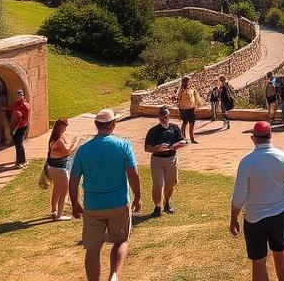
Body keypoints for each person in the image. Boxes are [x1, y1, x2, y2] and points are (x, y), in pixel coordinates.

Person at [69, 109, 141, 281]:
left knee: (92, 248)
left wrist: (75, 202)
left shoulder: (83, 150)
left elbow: (73, 179)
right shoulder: (123, 145)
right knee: (121, 240)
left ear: (96, 125)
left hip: (93, 206)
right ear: (113, 124)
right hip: (118, 203)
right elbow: (133, 173)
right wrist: (137, 196)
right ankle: (114, 275)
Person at [230, 121, 284, 281]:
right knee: (280, 251)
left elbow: (239, 196)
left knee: (259, 261)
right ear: (271, 135)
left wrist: (233, 218)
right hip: (279, 215)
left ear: (253, 138)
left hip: (255, 219)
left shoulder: (246, 162)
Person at [145, 105, 186, 217]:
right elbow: (147, 148)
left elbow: (183, 141)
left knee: (170, 184)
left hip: (172, 160)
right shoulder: (153, 131)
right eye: (162, 116)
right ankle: (157, 207)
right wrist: (157, 148)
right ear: (159, 117)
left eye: (166, 116)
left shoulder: (174, 128)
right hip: (157, 160)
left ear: (169, 116)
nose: (164, 118)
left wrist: (175, 146)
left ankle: (167, 203)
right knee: (158, 185)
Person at [46, 117, 80, 220]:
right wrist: (75, 144)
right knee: (64, 192)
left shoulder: (54, 138)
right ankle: (59, 215)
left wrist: (70, 143)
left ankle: (53, 210)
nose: (67, 127)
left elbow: (65, 147)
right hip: (60, 170)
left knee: (56, 190)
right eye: (66, 125)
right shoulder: (59, 141)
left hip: (52, 168)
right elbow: (67, 152)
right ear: (61, 127)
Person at [9, 88, 31, 167]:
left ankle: (21, 162)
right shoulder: (16, 105)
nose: (18, 96)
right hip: (15, 127)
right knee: (17, 144)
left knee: (19, 143)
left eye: (19, 94)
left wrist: (19, 125)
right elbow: (11, 111)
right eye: (17, 95)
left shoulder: (25, 105)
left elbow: (26, 118)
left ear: (22, 96)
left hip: (22, 127)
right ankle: (21, 160)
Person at [177, 76, 202, 144]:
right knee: (185, 123)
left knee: (192, 123)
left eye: (188, 81)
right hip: (184, 108)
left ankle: (192, 138)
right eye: (186, 81)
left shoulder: (191, 89)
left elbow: (193, 98)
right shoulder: (181, 90)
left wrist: (195, 106)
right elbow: (178, 98)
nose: (187, 82)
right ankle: (183, 138)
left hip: (191, 108)